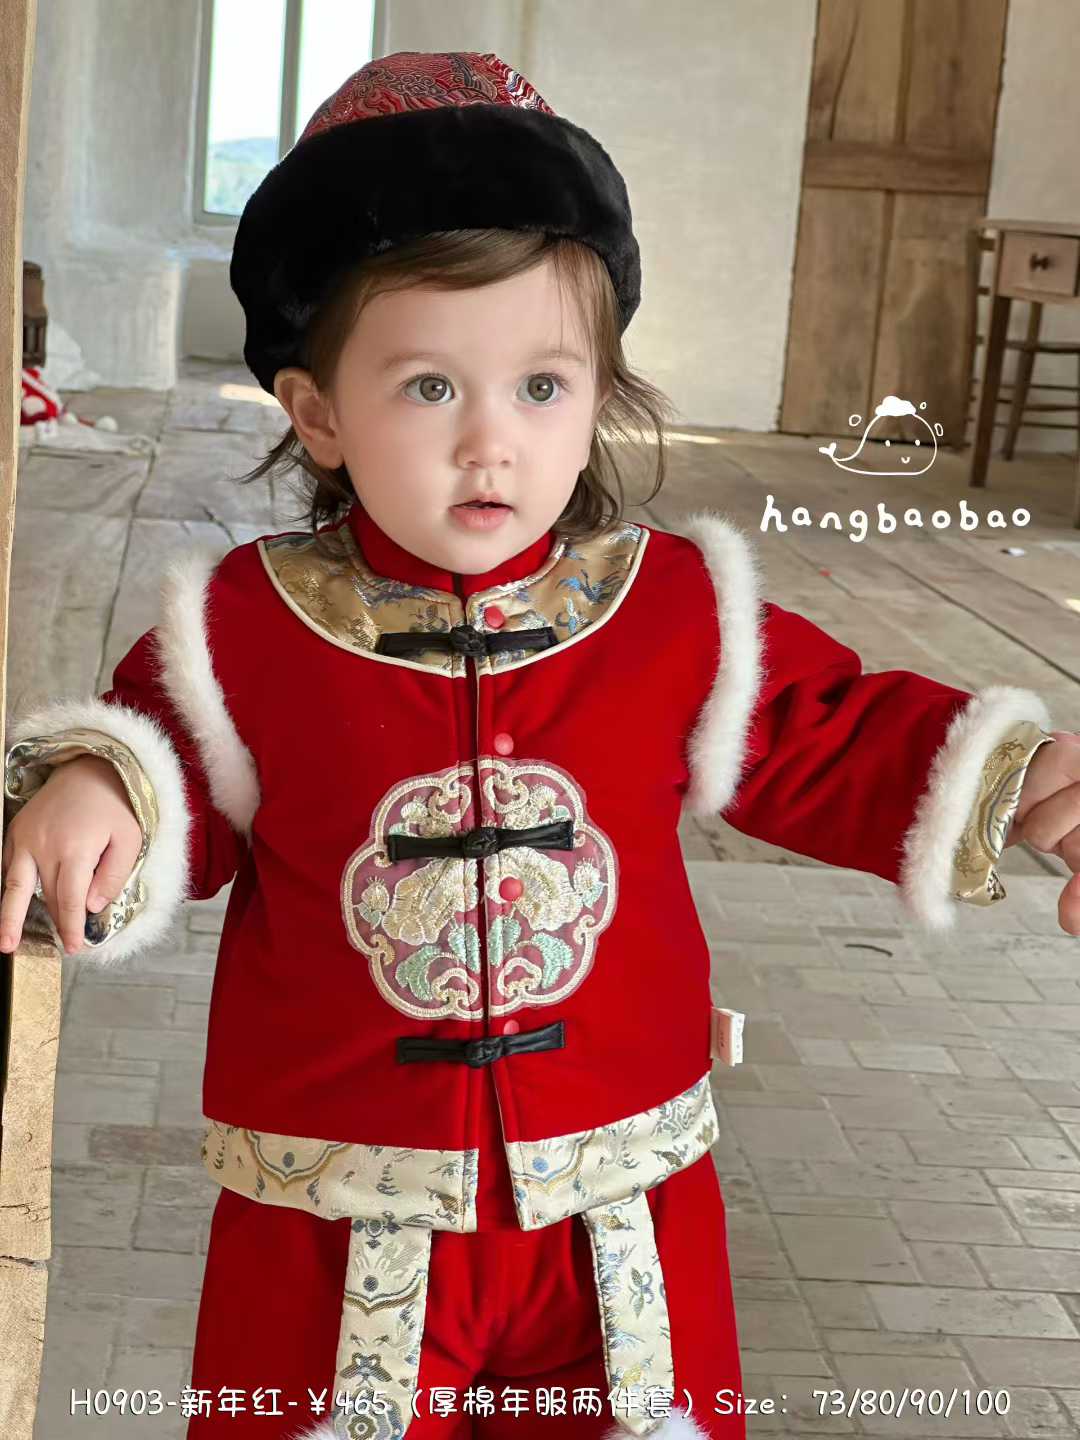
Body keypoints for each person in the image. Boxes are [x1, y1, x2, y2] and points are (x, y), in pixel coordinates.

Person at [3, 49, 1078, 1440]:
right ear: (316, 413)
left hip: (620, 1214)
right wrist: (98, 783)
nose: (491, 444)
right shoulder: (237, 629)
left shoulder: (676, 610)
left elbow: (839, 733)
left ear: (601, 394)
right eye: (428, 388)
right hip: (331, 1217)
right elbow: (163, 766)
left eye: (544, 386)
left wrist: (1032, 783)